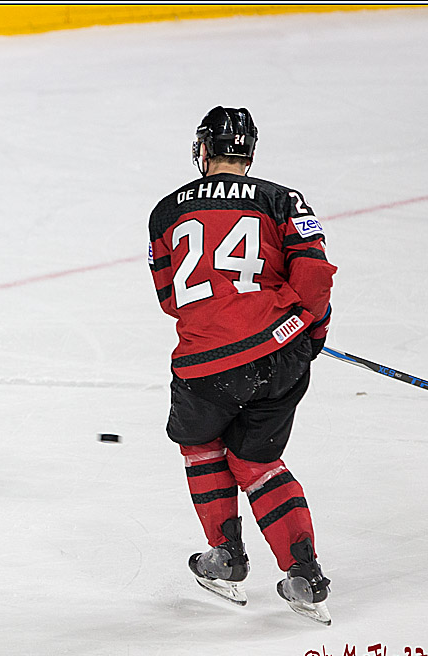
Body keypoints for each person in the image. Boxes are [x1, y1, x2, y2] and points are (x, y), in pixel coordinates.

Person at [147, 106, 337, 625]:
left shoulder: (166, 212)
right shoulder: (283, 200)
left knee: (201, 445)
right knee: (258, 464)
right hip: (280, 352)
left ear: (204, 149)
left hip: (206, 361)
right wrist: (308, 335)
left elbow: (169, 298)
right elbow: (314, 276)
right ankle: (304, 576)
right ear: (249, 152)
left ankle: (225, 557)